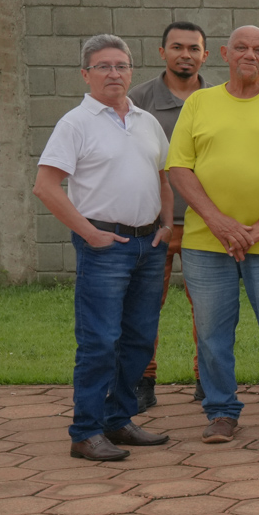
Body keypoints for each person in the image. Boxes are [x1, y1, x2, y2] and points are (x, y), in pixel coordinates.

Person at [166, 25, 259, 443]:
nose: (249, 55)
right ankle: (220, 412)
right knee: (213, 330)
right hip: (205, 241)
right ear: (223, 54)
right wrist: (219, 222)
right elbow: (179, 167)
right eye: (241, 48)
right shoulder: (200, 103)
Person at [35, 35, 175, 461]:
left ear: (132, 71)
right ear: (85, 74)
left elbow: (164, 177)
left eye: (121, 66)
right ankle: (86, 432)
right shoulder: (75, 123)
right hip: (104, 246)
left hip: (149, 244)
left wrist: (168, 224)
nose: (114, 73)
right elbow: (46, 186)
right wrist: (90, 233)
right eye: (103, 66)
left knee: (138, 339)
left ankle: (119, 420)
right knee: (99, 340)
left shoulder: (146, 120)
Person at [128, 21, 209, 409]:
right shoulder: (137, 99)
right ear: (162, 52)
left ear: (204, 56)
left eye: (193, 48)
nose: (185, 55)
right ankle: (143, 379)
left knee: (209, 306)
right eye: (177, 47)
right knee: (145, 304)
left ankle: (206, 376)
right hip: (152, 223)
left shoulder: (218, 98)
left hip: (205, 221)